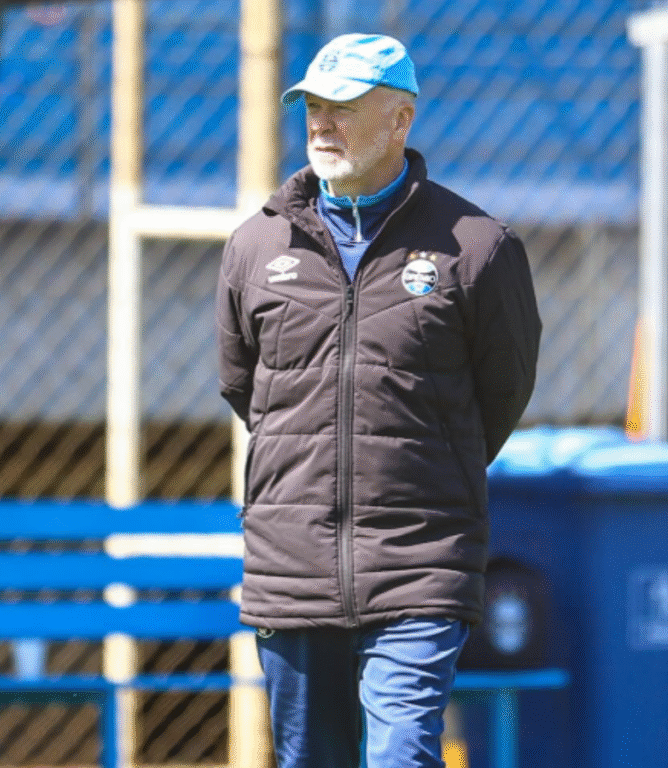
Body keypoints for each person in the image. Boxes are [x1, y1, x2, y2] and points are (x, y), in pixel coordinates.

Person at [217, 32, 541, 768]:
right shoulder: (254, 247)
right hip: (292, 562)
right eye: (313, 108)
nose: (323, 125)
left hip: (420, 558)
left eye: (345, 108)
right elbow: (244, 385)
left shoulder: (478, 247)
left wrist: (420, 464)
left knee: (403, 753)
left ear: (401, 120)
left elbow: (504, 390)